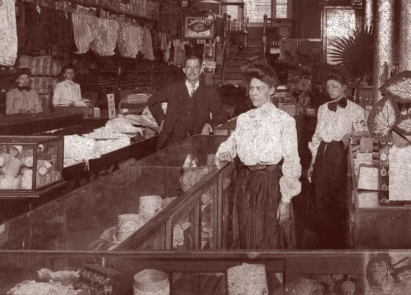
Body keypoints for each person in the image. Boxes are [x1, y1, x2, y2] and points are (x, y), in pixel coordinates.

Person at [215, 62, 300, 249]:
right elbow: (232, 142)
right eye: (251, 88)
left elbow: (292, 161)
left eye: (259, 88)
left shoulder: (284, 121)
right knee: (246, 235)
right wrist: (226, 151)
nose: (253, 93)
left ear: (271, 90)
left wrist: (285, 200)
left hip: (270, 186)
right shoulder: (244, 119)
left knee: (268, 237)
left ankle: (269, 277)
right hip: (245, 184)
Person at [306, 68, 366, 248]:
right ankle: (322, 240)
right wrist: (312, 163)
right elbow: (316, 138)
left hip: (342, 153)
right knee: (320, 194)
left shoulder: (357, 110)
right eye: (328, 87)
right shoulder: (323, 108)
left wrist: (352, 136)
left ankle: (339, 241)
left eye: (334, 86)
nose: (330, 89)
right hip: (324, 152)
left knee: (339, 197)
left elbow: (361, 136)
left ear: (344, 87)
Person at [147, 55, 227, 149]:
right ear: (184, 70)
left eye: (195, 67)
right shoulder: (173, 88)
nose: (192, 71)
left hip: (198, 144)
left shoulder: (210, 92)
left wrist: (208, 126)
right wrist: (162, 120)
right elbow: (152, 101)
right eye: (189, 67)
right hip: (172, 144)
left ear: (201, 70)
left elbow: (221, 115)